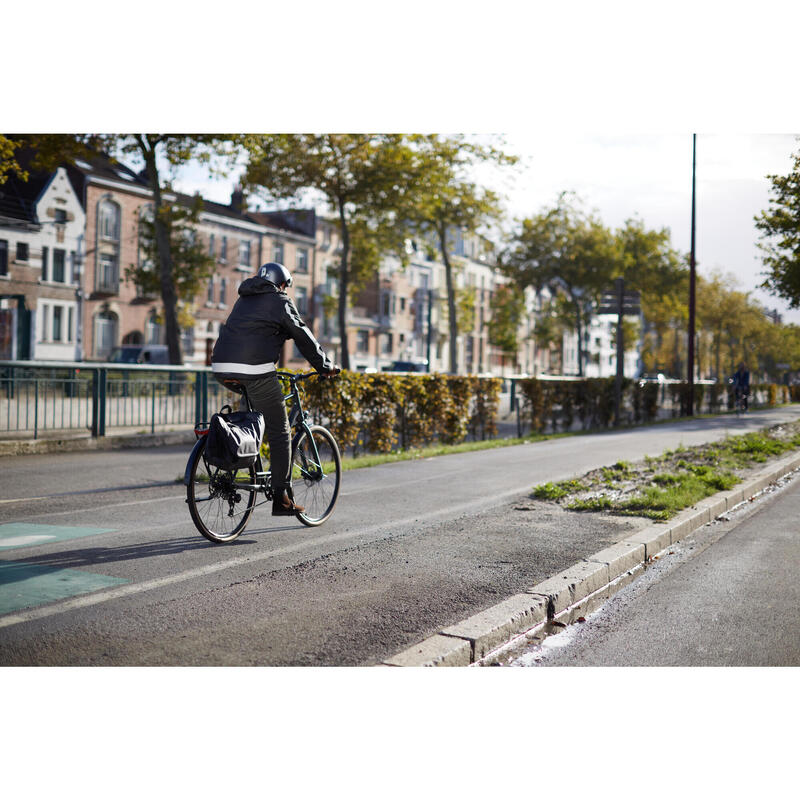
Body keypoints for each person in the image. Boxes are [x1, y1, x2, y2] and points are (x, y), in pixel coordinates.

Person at [211, 262, 340, 516]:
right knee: (280, 431)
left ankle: (241, 463)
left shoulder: (244, 300)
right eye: (285, 286)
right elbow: (303, 335)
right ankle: (281, 497)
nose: (286, 290)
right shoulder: (279, 301)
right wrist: (325, 366)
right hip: (254, 371)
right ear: (281, 284)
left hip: (222, 368)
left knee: (249, 421)